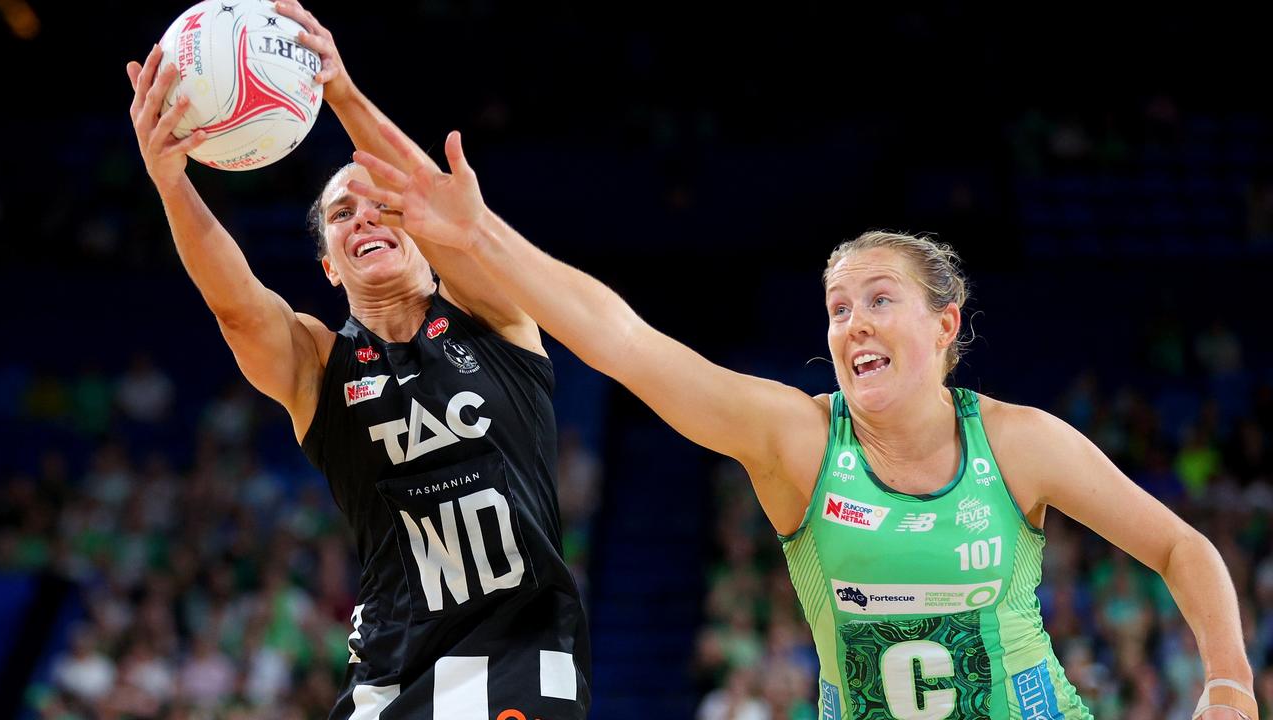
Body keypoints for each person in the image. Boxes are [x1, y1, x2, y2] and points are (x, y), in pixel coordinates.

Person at [346, 127, 1259, 719]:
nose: (851, 323)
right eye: (835, 307)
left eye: (877, 300)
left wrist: (1226, 681)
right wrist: (475, 236)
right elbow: (623, 342)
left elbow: (1186, 550)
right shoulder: (800, 441)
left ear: (944, 326)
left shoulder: (1020, 444)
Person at [124, 3, 590, 717]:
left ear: (418, 231)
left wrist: (338, 89)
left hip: (521, 654)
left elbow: (436, 202)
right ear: (329, 266)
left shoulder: (498, 316)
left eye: (379, 205)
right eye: (342, 214)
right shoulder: (318, 362)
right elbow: (239, 307)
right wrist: (170, 179)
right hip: (391, 670)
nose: (364, 217)